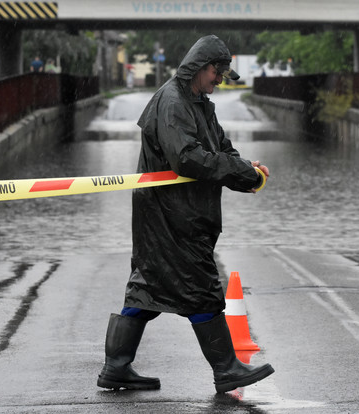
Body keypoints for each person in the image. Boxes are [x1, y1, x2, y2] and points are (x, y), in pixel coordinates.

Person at [97, 35, 273, 394]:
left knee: (148, 288)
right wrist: (240, 172)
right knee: (200, 287)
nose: (220, 80)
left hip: (174, 213)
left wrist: (245, 170)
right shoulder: (174, 102)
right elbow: (188, 158)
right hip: (172, 216)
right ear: (201, 67)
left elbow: (219, 148)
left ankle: (116, 367)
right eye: (218, 72)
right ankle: (226, 369)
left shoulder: (197, 103)